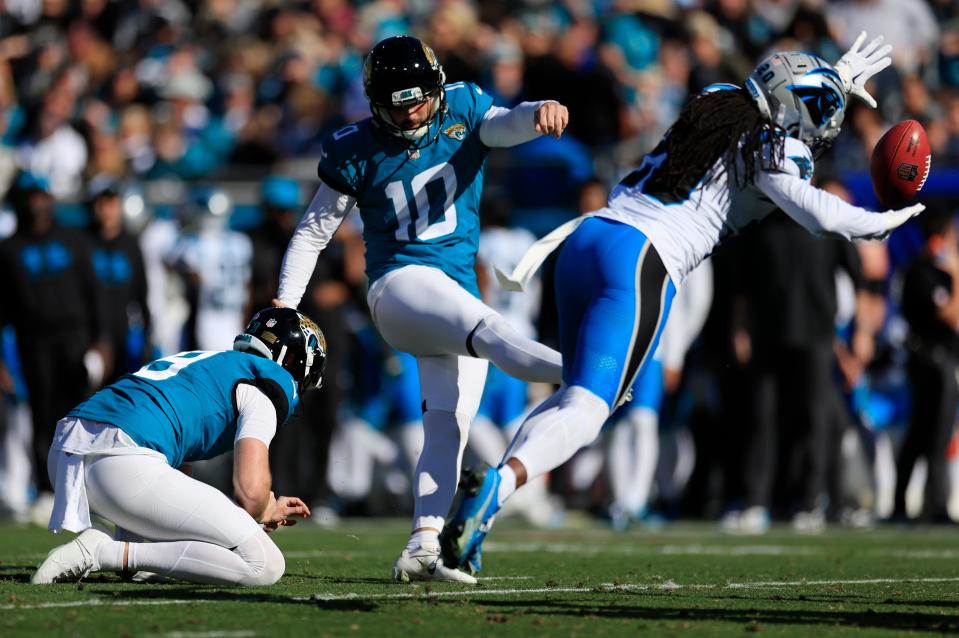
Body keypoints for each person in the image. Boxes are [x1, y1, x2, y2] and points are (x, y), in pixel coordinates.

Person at [440, 34, 924, 573]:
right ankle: (501, 482)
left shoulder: (716, 98)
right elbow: (821, 214)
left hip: (588, 240)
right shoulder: (772, 149)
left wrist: (832, 78)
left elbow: (771, 106)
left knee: (576, 394)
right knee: (589, 408)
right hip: (643, 259)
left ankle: (487, 507)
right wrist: (886, 220)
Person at [274, 35, 568, 584]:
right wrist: (285, 305)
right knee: (495, 332)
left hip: (454, 293)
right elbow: (314, 233)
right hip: (400, 287)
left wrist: (538, 114)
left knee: (447, 430)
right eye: (399, 103)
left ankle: (423, 543)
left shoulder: (463, 106)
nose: (412, 112)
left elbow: (506, 124)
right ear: (374, 101)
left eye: (419, 100)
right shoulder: (355, 147)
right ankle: (586, 371)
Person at [31, 307, 326, 586]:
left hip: (65, 454)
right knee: (264, 563)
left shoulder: (209, 362)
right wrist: (263, 507)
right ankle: (105, 553)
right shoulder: (270, 381)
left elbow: (177, 468)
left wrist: (248, 512)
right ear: (295, 365)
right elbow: (250, 492)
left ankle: (129, 551)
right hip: (123, 459)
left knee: (193, 539)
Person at [0, 172, 109, 516]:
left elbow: (96, 295)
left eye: (40, 195)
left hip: (76, 338)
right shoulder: (8, 250)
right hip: (35, 341)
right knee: (43, 413)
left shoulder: (73, 240)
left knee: (83, 413)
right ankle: (48, 490)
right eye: (29, 196)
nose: (36, 203)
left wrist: (102, 341)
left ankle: (92, 488)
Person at [893, 209, 959, 523]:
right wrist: (957, 275)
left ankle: (915, 504)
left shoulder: (926, 271)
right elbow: (949, 314)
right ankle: (933, 506)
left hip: (938, 360)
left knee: (926, 434)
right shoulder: (923, 273)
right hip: (931, 362)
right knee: (930, 434)